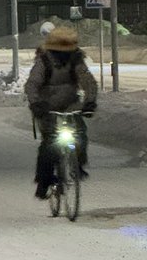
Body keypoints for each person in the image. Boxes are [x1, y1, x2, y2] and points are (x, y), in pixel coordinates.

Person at [24, 26, 98, 199]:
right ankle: (44, 181)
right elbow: (32, 84)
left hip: (70, 105)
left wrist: (89, 102)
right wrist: (36, 103)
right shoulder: (44, 61)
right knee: (49, 144)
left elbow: (88, 82)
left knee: (80, 135)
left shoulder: (76, 61)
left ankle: (77, 164)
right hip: (47, 107)